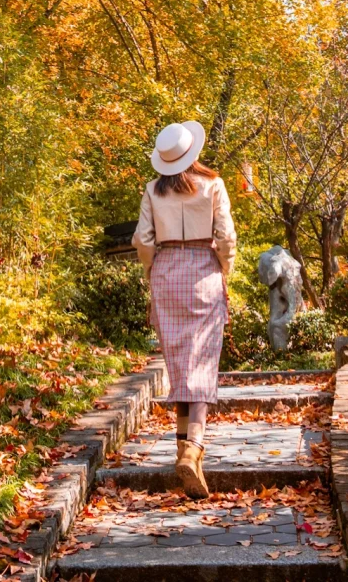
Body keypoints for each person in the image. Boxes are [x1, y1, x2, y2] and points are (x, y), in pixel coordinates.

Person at [132, 120, 237, 500]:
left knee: (179, 363)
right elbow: (225, 237)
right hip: (202, 273)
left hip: (166, 275)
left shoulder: (151, 190)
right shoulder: (213, 185)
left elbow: (143, 239)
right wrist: (224, 269)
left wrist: (152, 271)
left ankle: (183, 454)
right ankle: (193, 448)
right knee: (203, 363)